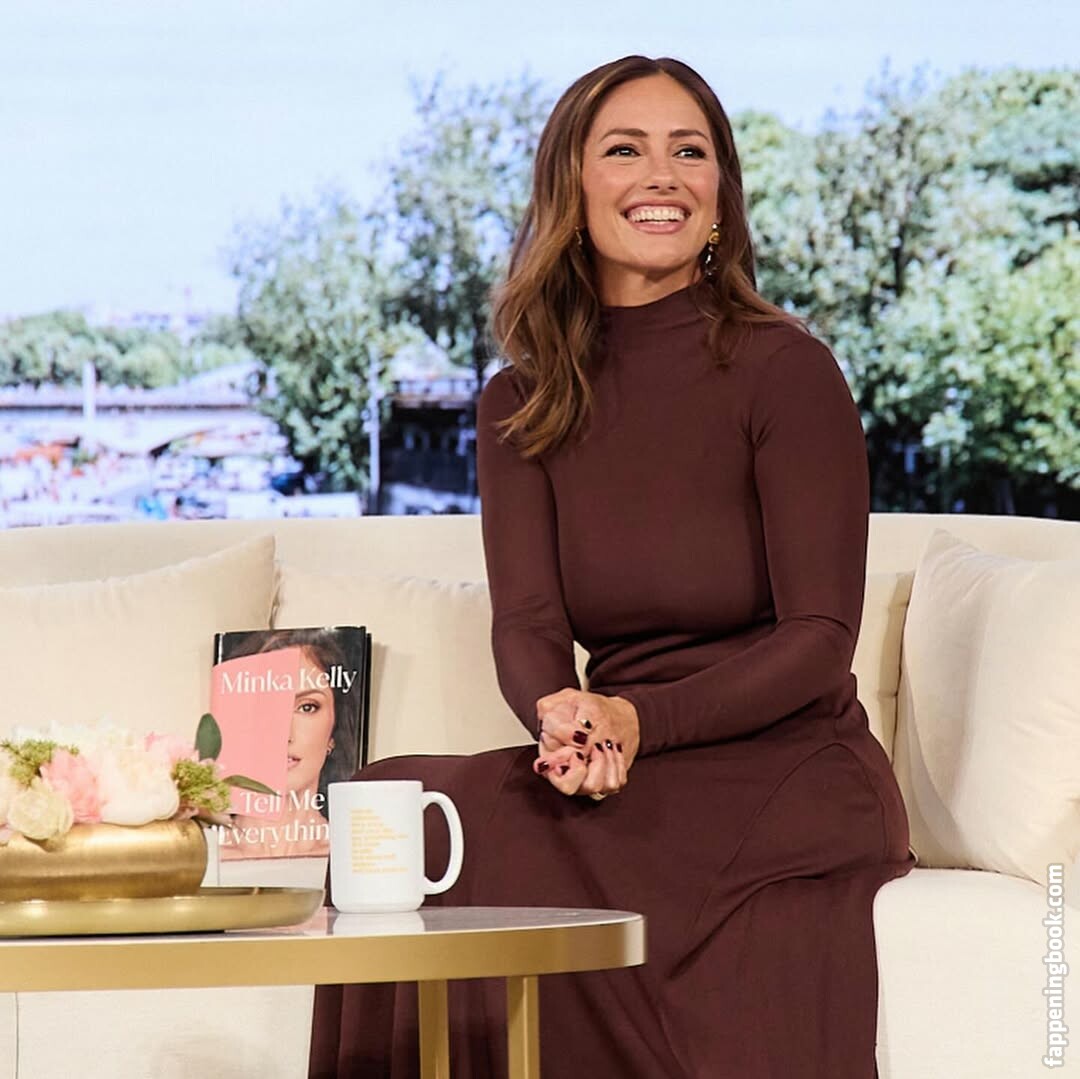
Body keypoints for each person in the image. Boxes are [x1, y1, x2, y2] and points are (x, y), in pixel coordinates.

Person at [310, 54, 914, 1078]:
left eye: (691, 151)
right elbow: (528, 621)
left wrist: (639, 720)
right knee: (396, 809)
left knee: (546, 855)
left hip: (784, 761)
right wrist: (564, 720)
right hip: (622, 754)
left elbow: (821, 640)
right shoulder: (519, 400)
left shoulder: (787, 369)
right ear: (572, 185)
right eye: (625, 149)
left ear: (720, 193)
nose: (662, 175)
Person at [220, 629, 359, 859]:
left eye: (307, 707)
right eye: (265, 707)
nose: (283, 735)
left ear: (334, 731)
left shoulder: (352, 858)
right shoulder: (200, 857)